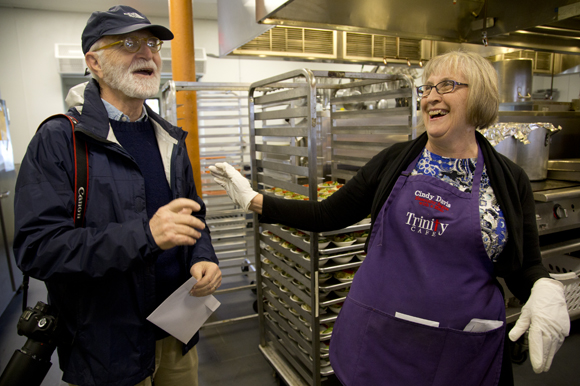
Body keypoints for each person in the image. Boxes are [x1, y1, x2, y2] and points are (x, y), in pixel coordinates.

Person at [209, 51, 570, 386]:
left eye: (447, 85)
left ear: (479, 98)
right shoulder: (396, 160)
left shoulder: (508, 180)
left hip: (458, 349)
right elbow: (327, 213)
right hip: (380, 339)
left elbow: (526, 266)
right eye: (427, 87)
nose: (431, 96)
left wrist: (543, 288)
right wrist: (254, 200)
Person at [13, 5, 221, 386]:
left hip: (177, 332)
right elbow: (37, 249)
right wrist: (146, 236)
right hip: (108, 350)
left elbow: (195, 218)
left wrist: (203, 257)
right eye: (128, 43)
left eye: (153, 44)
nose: (147, 54)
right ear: (94, 61)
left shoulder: (170, 141)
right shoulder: (60, 140)